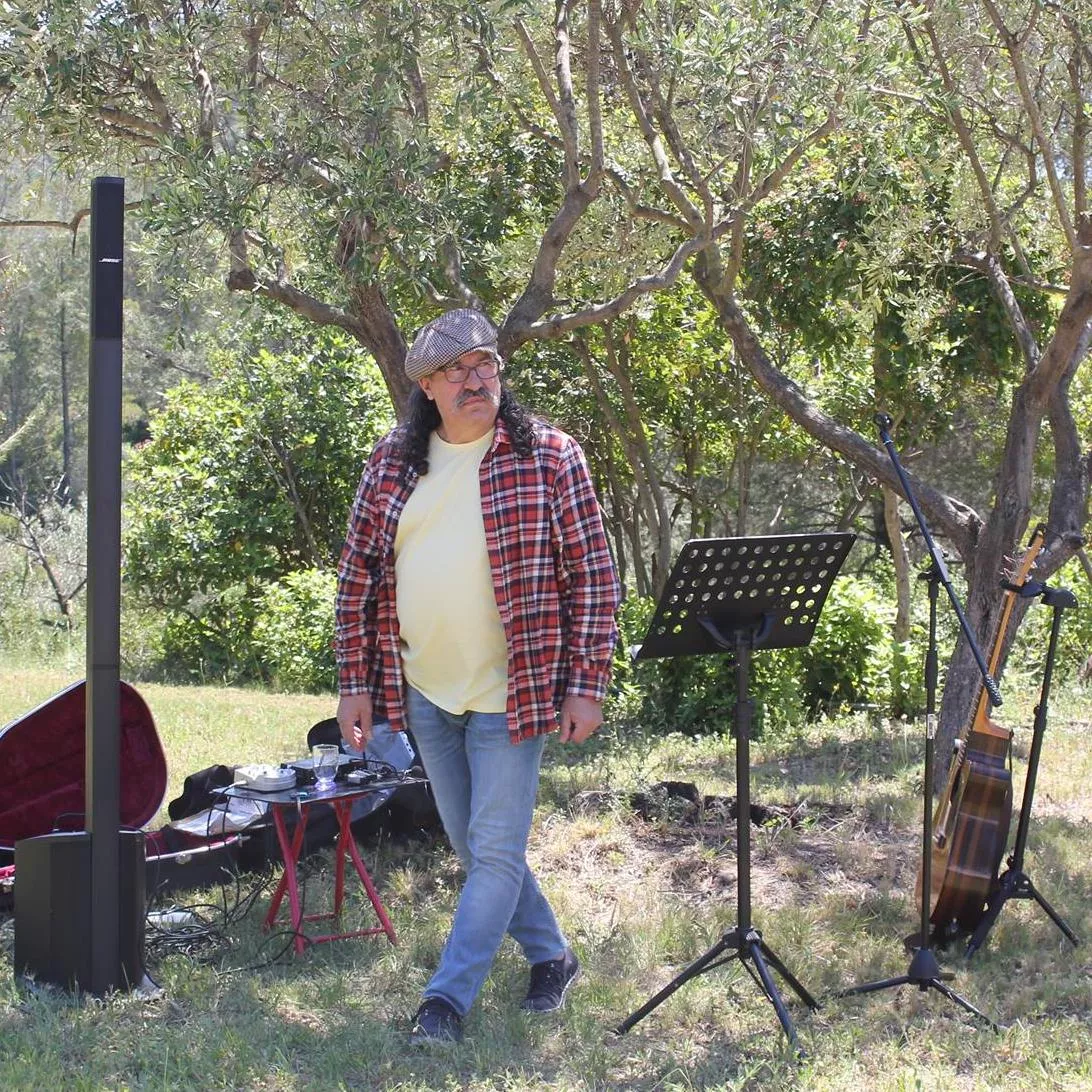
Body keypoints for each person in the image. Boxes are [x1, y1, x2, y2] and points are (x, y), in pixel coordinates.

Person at [335, 307, 621, 1046]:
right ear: (426, 386)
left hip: (513, 695)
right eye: (456, 371)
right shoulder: (392, 464)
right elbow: (358, 579)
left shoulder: (550, 457)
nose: (475, 380)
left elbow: (593, 574)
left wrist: (587, 682)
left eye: (486, 365)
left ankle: (445, 1002)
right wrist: (355, 682)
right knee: (474, 850)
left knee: (492, 853)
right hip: (424, 689)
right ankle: (553, 956)